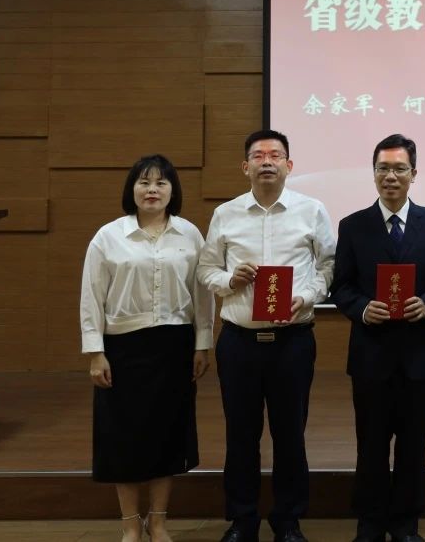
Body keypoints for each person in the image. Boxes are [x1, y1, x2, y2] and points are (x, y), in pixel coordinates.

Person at [196, 129, 336, 542]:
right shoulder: (226, 214)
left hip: (293, 341)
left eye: (276, 155)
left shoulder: (312, 210)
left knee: (290, 434)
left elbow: (329, 266)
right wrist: (229, 280)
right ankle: (242, 520)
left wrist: (307, 296)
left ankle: (287, 520)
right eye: (258, 156)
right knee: (241, 435)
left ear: (289, 165)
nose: (267, 162)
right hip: (239, 341)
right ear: (246, 167)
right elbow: (205, 269)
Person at [330, 134, 425, 542]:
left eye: (399, 169)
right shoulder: (353, 225)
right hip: (371, 353)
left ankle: (405, 524)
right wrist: (362, 308)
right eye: (383, 169)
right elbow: (341, 286)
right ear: (373, 174)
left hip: (420, 354)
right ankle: (369, 523)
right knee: (369, 444)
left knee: (413, 445)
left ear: (413, 174)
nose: (391, 176)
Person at [80, 154, 211, 542]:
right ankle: (130, 525)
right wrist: (95, 352)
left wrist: (203, 344)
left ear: (173, 191)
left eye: (161, 183)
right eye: (144, 182)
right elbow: (91, 297)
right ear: (132, 189)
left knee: (166, 436)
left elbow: (202, 295)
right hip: (122, 348)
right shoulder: (108, 236)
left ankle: (158, 522)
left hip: (174, 346)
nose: (152, 189)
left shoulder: (190, 235)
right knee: (123, 438)